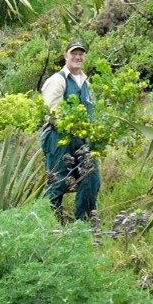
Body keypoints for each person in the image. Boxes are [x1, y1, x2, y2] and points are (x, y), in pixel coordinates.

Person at [40, 41, 101, 221]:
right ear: (65, 56)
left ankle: (82, 224)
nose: (78, 57)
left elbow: (94, 110)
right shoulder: (57, 80)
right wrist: (71, 127)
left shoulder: (87, 82)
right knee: (57, 182)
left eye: (81, 54)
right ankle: (49, 223)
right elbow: (51, 113)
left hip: (83, 140)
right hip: (59, 139)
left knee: (91, 179)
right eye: (74, 53)